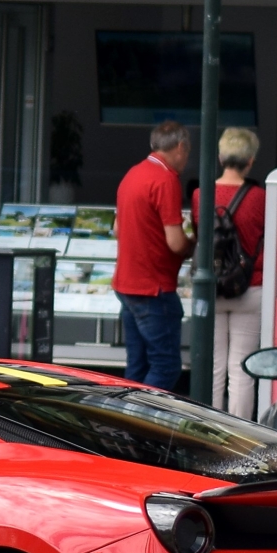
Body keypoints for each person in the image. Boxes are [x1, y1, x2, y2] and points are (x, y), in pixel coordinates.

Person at [113, 120, 194, 392]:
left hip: (126, 284)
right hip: (153, 287)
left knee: (136, 365)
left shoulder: (132, 174)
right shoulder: (166, 179)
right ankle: (142, 423)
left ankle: (122, 424)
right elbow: (175, 243)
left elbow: (116, 229)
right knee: (166, 365)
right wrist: (195, 243)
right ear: (181, 147)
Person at [199, 127, 268, 419]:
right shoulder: (260, 197)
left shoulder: (200, 194)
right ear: (250, 161)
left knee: (213, 368)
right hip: (249, 287)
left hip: (212, 288)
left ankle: (209, 429)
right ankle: (238, 433)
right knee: (242, 370)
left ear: (220, 157)